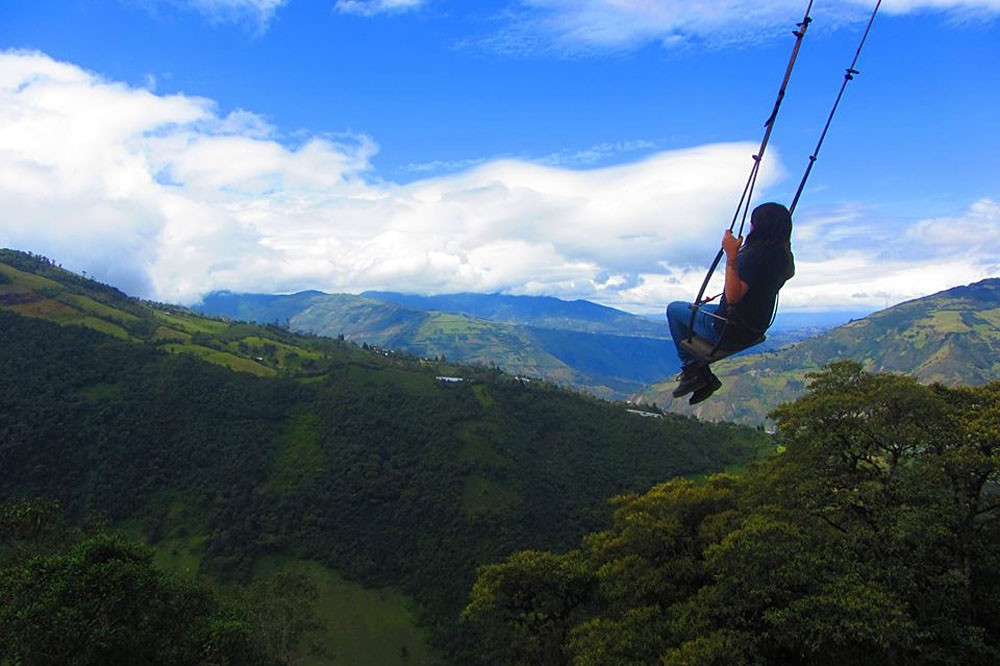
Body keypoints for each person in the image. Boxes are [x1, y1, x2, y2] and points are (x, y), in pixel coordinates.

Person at [666, 202, 795, 404]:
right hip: (755, 327)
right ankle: (699, 375)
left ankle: (692, 371)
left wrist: (731, 256)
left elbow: (734, 297)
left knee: (674, 309)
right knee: (696, 307)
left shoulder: (752, 256)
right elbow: (777, 277)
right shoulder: (783, 257)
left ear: (758, 227)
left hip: (728, 331)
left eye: (752, 223)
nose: (750, 227)